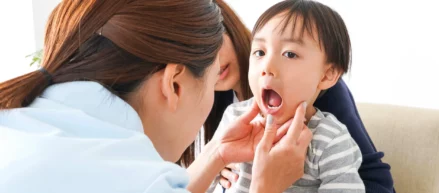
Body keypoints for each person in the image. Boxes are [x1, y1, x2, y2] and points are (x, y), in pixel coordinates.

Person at [0, 1, 314, 193]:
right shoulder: (137, 178)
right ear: (174, 83)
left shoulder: (16, 122)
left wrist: (218, 151)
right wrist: (265, 187)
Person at [179, 0, 395, 193]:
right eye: (260, 53)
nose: (267, 67)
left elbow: (373, 180)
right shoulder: (232, 114)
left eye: (290, 54)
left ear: (327, 75)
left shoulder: (329, 139)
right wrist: (214, 164)